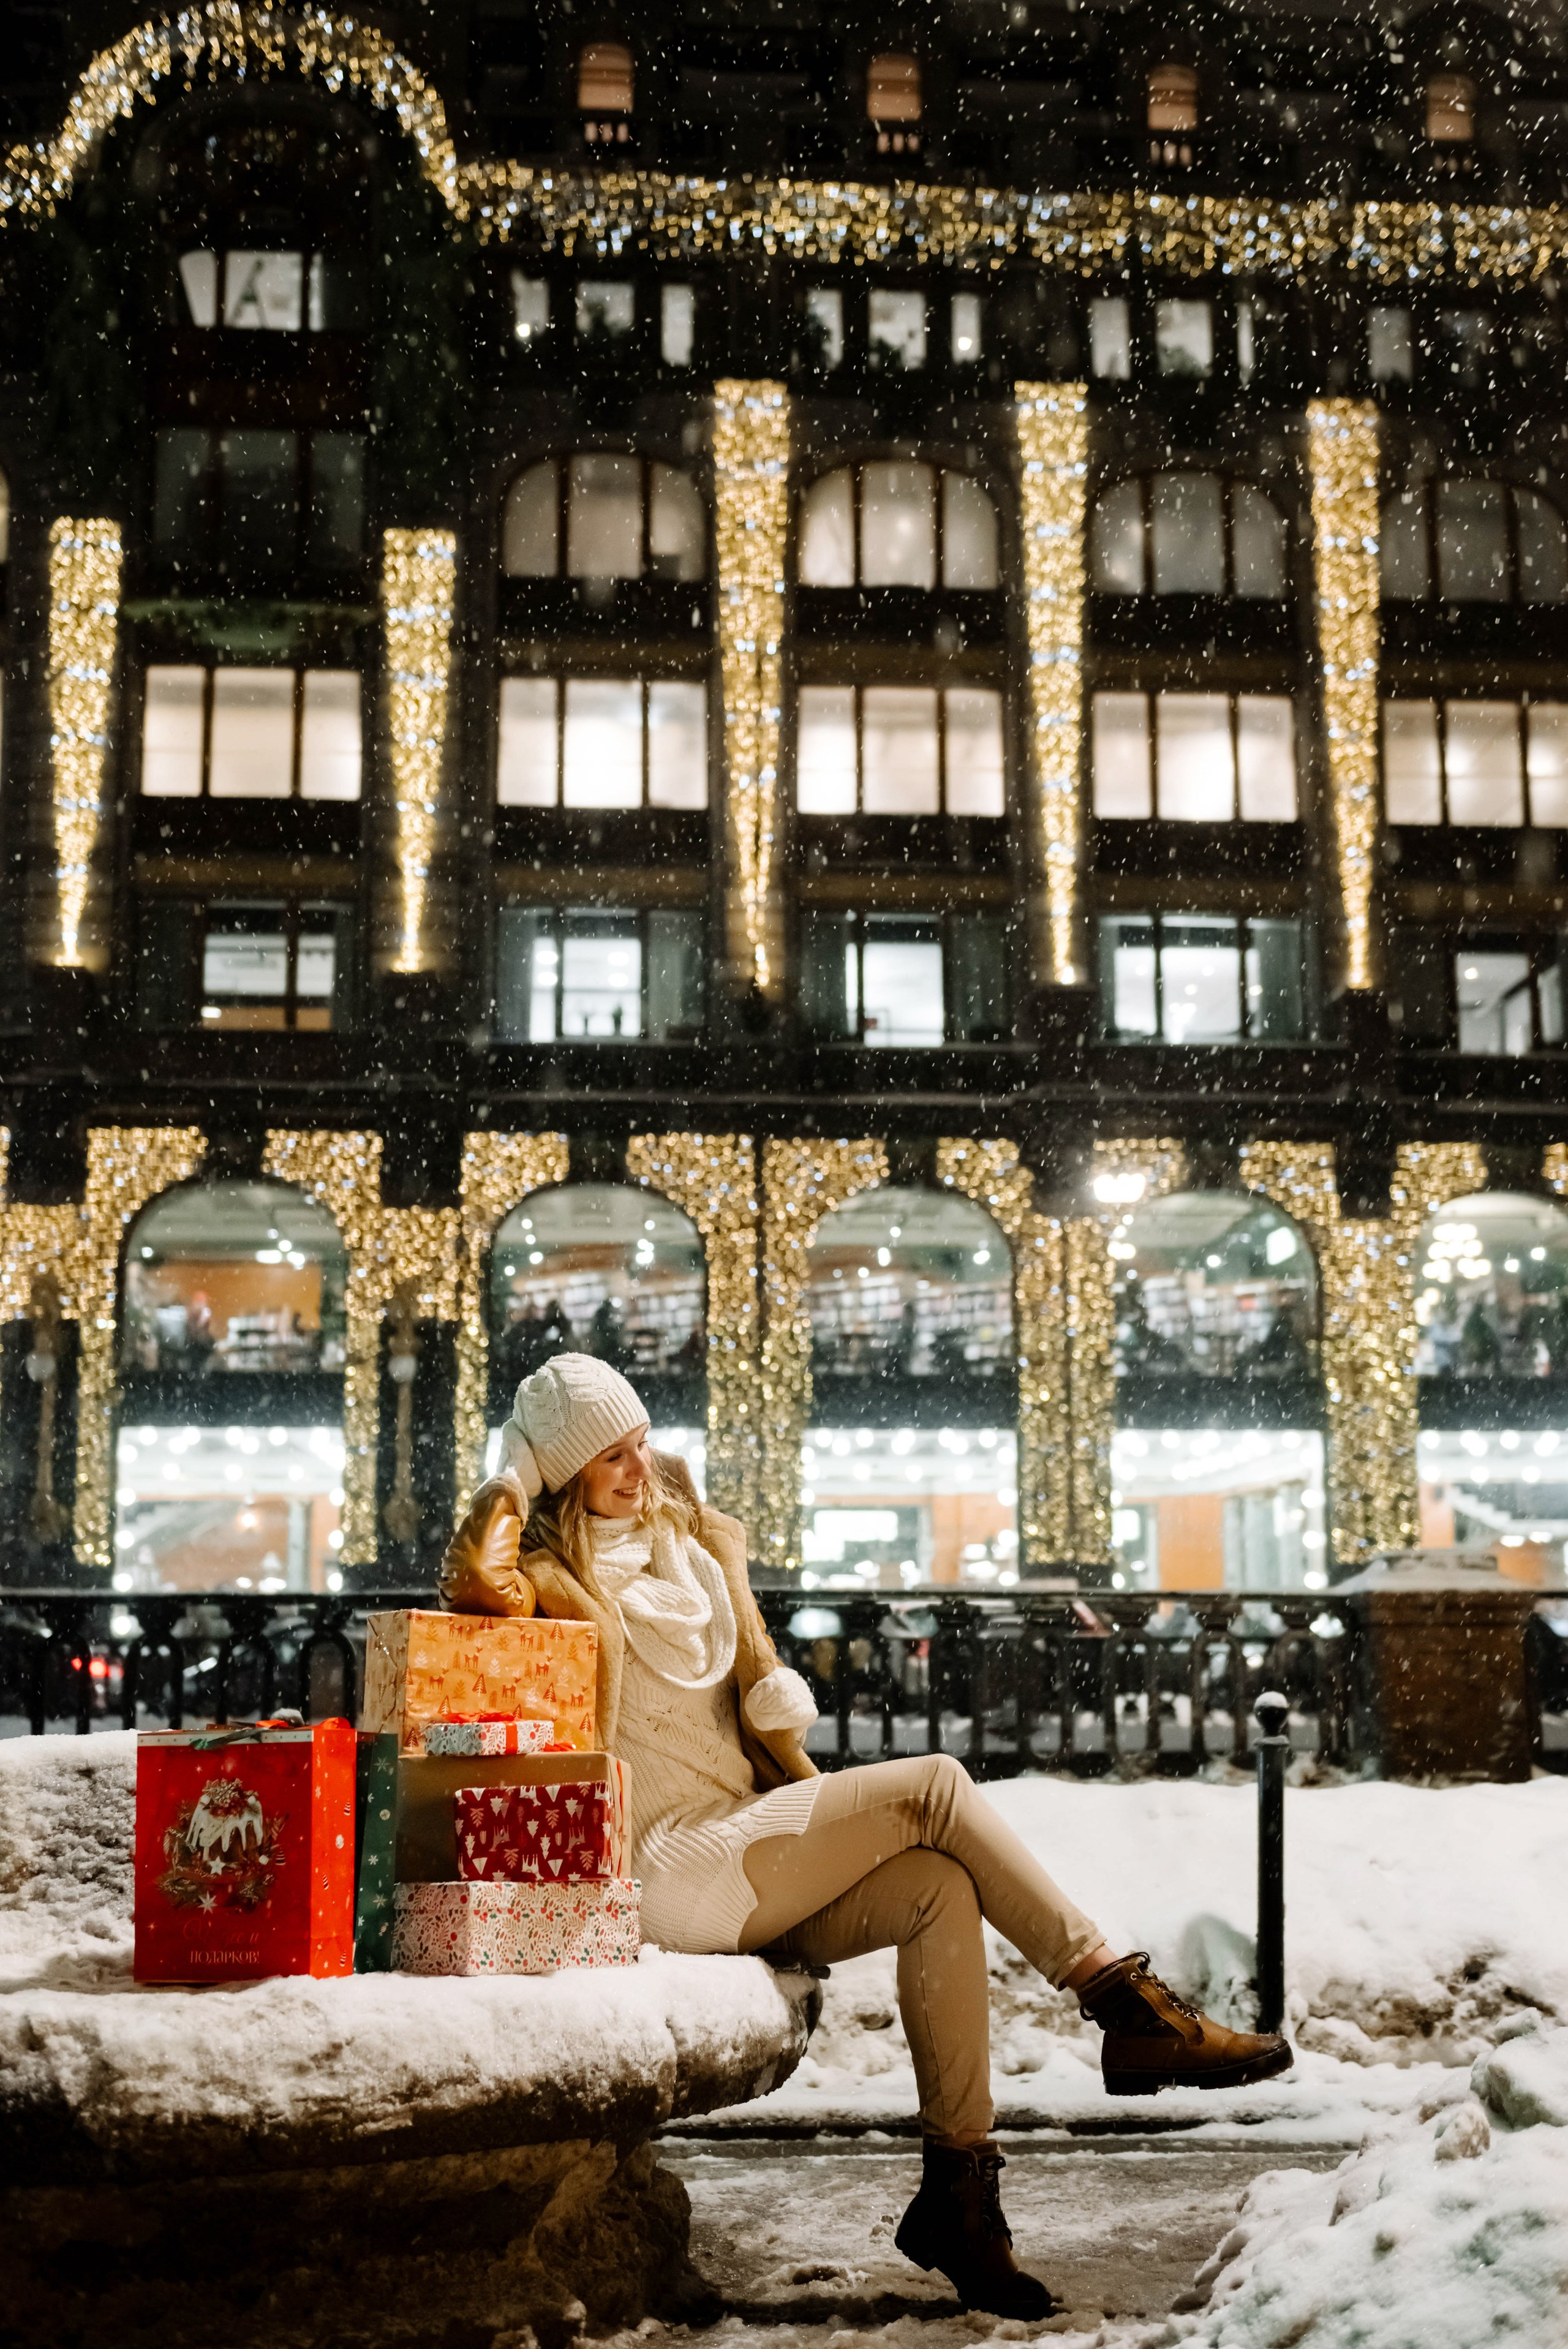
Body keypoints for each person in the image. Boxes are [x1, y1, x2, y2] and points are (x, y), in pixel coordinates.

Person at [440, 1354, 1291, 2320]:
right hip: (670, 1858)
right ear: (562, 1473)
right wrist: (511, 1468)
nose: (638, 1469)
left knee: (938, 1886)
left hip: (745, 1835)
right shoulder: (554, 1575)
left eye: (641, 1444)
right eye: (607, 1458)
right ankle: (1126, 2008)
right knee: (935, 1785)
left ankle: (961, 2200)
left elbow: (748, 1688)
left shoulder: (695, 1550)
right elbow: (473, 1577)